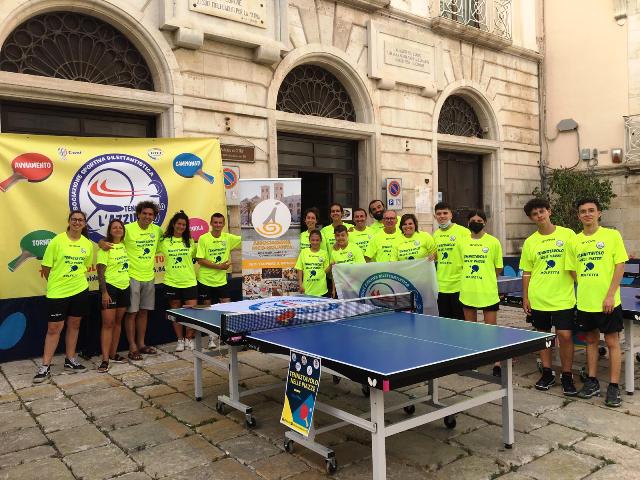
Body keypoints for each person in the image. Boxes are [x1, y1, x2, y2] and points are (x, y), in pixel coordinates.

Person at [566, 198, 628, 407]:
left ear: (599, 213)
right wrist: (586, 286)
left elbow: (620, 266)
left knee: (612, 343)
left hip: (609, 302)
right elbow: (572, 269)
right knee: (591, 342)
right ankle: (592, 382)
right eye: (583, 211)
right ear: (578, 216)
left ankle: (613, 387)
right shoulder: (574, 241)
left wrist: (610, 294)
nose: (587, 214)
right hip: (585, 303)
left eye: (591, 210)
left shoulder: (612, 236)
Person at [520, 198, 577, 395]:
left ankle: (567, 375)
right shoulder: (530, 242)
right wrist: (525, 297)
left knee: (565, 335)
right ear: (531, 218)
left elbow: (577, 262)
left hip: (563, 297)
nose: (539, 216)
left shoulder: (568, 234)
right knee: (543, 336)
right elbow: (527, 272)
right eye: (535, 214)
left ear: (549, 211)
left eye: (542, 211)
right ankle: (547, 372)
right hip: (539, 297)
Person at [33, 211, 93, 383]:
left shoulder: (87, 244)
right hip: (58, 292)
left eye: (80, 220)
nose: (77, 222)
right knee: (54, 329)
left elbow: (85, 266)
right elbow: (46, 267)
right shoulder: (57, 241)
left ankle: (70, 360)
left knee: (74, 325)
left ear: (84, 223)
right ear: (69, 221)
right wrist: (58, 282)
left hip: (80, 290)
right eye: (74, 219)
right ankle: (45, 366)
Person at [100, 201, 163, 361]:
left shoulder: (156, 230)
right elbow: (110, 239)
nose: (148, 217)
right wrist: (101, 243)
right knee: (132, 314)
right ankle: (132, 347)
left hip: (149, 277)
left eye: (151, 214)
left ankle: (141, 344)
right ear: (138, 214)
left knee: (144, 312)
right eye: (145, 213)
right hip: (131, 278)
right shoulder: (127, 229)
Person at [457, 209, 503, 376]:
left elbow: (498, 267)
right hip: (467, 291)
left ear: (484, 222)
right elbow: (461, 265)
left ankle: (496, 362)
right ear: (468, 223)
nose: (475, 222)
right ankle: (474, 359)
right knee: (471, 329)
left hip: (488, 292)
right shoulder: (461, 242)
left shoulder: (493, 242)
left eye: (479, 220)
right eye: (472, 220)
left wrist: (485, 278)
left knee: (490, 329)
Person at [196, 212, 241, 348]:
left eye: (220, 223)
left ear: (223, 224)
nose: (218, 225)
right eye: (215, 222)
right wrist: (219, 266)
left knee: (225, 309)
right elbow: (200, 259)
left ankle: (224, 336)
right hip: (205, 280)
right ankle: (211, 338)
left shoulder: (228, 238)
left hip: (222, 280)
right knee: (208, 309)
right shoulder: (204, 238)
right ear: (211, 223)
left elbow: (246, 236)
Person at [96, 219, 130, 373]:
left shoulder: (124, 246)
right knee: (107, 324)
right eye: (114, 228)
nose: (117, 229)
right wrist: (104, 292)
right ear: (110, 231)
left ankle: (113, 353)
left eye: (120, 227)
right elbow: (100, 273)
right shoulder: (105, 248)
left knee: (118, 322)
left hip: (125, 287)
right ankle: (105, 360)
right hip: (110, 288)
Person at [433, 202, 470, 320]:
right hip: (441, 286)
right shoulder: (435, 235)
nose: (442, 216)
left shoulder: (464, 232)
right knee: (445, 321)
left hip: (459, 285)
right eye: (439, 214)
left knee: (460, 321)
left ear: (451, 215)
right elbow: (435, 256)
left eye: (445, 213)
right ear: (435, 216)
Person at [330, 224, 365, 297]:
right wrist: (334, 289)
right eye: (338, 235)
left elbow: (362, 267)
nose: (340, 238)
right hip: (342, 289)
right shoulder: (334, 252)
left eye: (343, 235)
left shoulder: (355, 248)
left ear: (347, 235)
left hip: (356, 287)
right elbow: (334, 273)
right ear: (335, 237)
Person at [295, 230, 330, 297]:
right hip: (307, 289)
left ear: (321, 241)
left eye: (317, 240)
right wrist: (300, 284)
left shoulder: (324, 253)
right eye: (313, 240)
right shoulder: (304, 252)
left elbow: (326, 271)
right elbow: (299, 269)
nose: (315, 242)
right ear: (309, 240)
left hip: (321, 290)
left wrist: (331, 265)